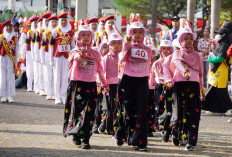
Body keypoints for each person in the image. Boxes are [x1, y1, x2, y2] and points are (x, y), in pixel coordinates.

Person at [63, 24, 108, 149]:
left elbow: (100, 70)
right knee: (76, 111)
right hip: (76, 84)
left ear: (92, 37)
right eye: (83, 35)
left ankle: (86, 139)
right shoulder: (74, 52)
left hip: (91, 85)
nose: (86, 37)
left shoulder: (96, 53)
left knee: (89, 112)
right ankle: (75, 134)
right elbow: (74, 60)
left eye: (88, 35)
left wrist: (104, 84)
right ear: (78, 37)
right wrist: (81, 55)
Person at [114, 13, 151, 151]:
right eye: (134, 32)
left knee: (141, 110)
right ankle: (121, 135)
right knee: (126, 110)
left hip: (142, 81)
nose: (137, 35)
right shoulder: (127, 46)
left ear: (144, 34)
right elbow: (121, 60)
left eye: (139, 32)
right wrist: (127, 46)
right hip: (127, 80)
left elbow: (148, 66)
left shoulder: (147, 49)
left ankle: (140, 141)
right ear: (130, 33)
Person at [170, 26, 204, 151]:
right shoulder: (177, 53)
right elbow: (178, 63)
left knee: (193, 114)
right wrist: (184, 72)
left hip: (194, 85)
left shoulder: (198, 55)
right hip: (179, 84)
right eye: (185, 39)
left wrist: (202, 89)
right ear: (180, 41)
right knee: (179, 112)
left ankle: (191, 141)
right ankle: (177, 134)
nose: (188, 41)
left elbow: (201, 73)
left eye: (190, 39)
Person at [203, 27, 232, 116]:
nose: (217, 35)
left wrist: (210, 59)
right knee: (214, 91)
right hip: (216, 71)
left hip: (221, 71)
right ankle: (213, 108)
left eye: (219, 34)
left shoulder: (224, 45)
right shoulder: (220, 44)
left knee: (221, 91)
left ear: (223, 35)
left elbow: (220, 59)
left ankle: (229, 108)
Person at [98, 32, 122, 135]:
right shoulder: (106, 58)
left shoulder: (122, 57)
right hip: (109, 86)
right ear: (109, 45)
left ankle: (111, 126)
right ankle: (107, 126)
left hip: (120, 85)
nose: (116, 46)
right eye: (113, 43)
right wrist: (104, 85)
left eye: (118, 43)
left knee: (118, 107)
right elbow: (101, 72)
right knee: (109, 107)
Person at [49, 12, 75, 104]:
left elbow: (73, 46)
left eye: (65, 20)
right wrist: (50, 59)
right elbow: (51, 46)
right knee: (57, 77)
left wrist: (73, 58)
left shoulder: (71, 32)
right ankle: (57, 97)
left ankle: (64, 96)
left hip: (66, 57)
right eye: (62, 20)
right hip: (57, 56)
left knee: (65, 77)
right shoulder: (55, 31)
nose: (63, 22)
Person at [150, 40, 173, 141]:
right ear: (160, 50)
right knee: (159, 106)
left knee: (169, 107)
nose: (166, 51)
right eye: (164, 48)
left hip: (170, 86)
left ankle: (168, 127)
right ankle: (160, 126)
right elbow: (152, 78)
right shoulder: (156, 63)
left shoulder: (173, 61)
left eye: (168, 49)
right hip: (159, 86)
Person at [0, 20, 19, 103]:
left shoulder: (15, 37)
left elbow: (17, 50)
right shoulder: (1, 37)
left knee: (10, 77)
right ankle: (3, 95)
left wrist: (17, 60)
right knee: (2, 77)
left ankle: (10, 95)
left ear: (12, 27)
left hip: (11, 59)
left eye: (10, 26)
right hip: (3, 58)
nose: (8, 28)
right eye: (7, 26)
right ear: (5, 28)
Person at [21, 17, 39, 92]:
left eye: (36, 22)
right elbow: (25, 44)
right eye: (34, 22)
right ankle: (29, 86)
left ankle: (36, 86)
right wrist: (23, 54)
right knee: (29, 69)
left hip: (37, 52)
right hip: (29, 52)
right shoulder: (29, 32)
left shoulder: (39, 31)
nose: (35, 24)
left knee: (37, 70)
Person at [41, 14, 56, 100]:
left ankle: (54, 92)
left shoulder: (58, 31)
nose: (54, 23)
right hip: (47, 54)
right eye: (52, 22)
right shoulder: (46, 33)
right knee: (48, 74)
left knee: (55, 75)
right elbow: (42, 46)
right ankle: (48, 92)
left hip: (56, 55)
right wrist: (42, 57)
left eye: (55, 22)